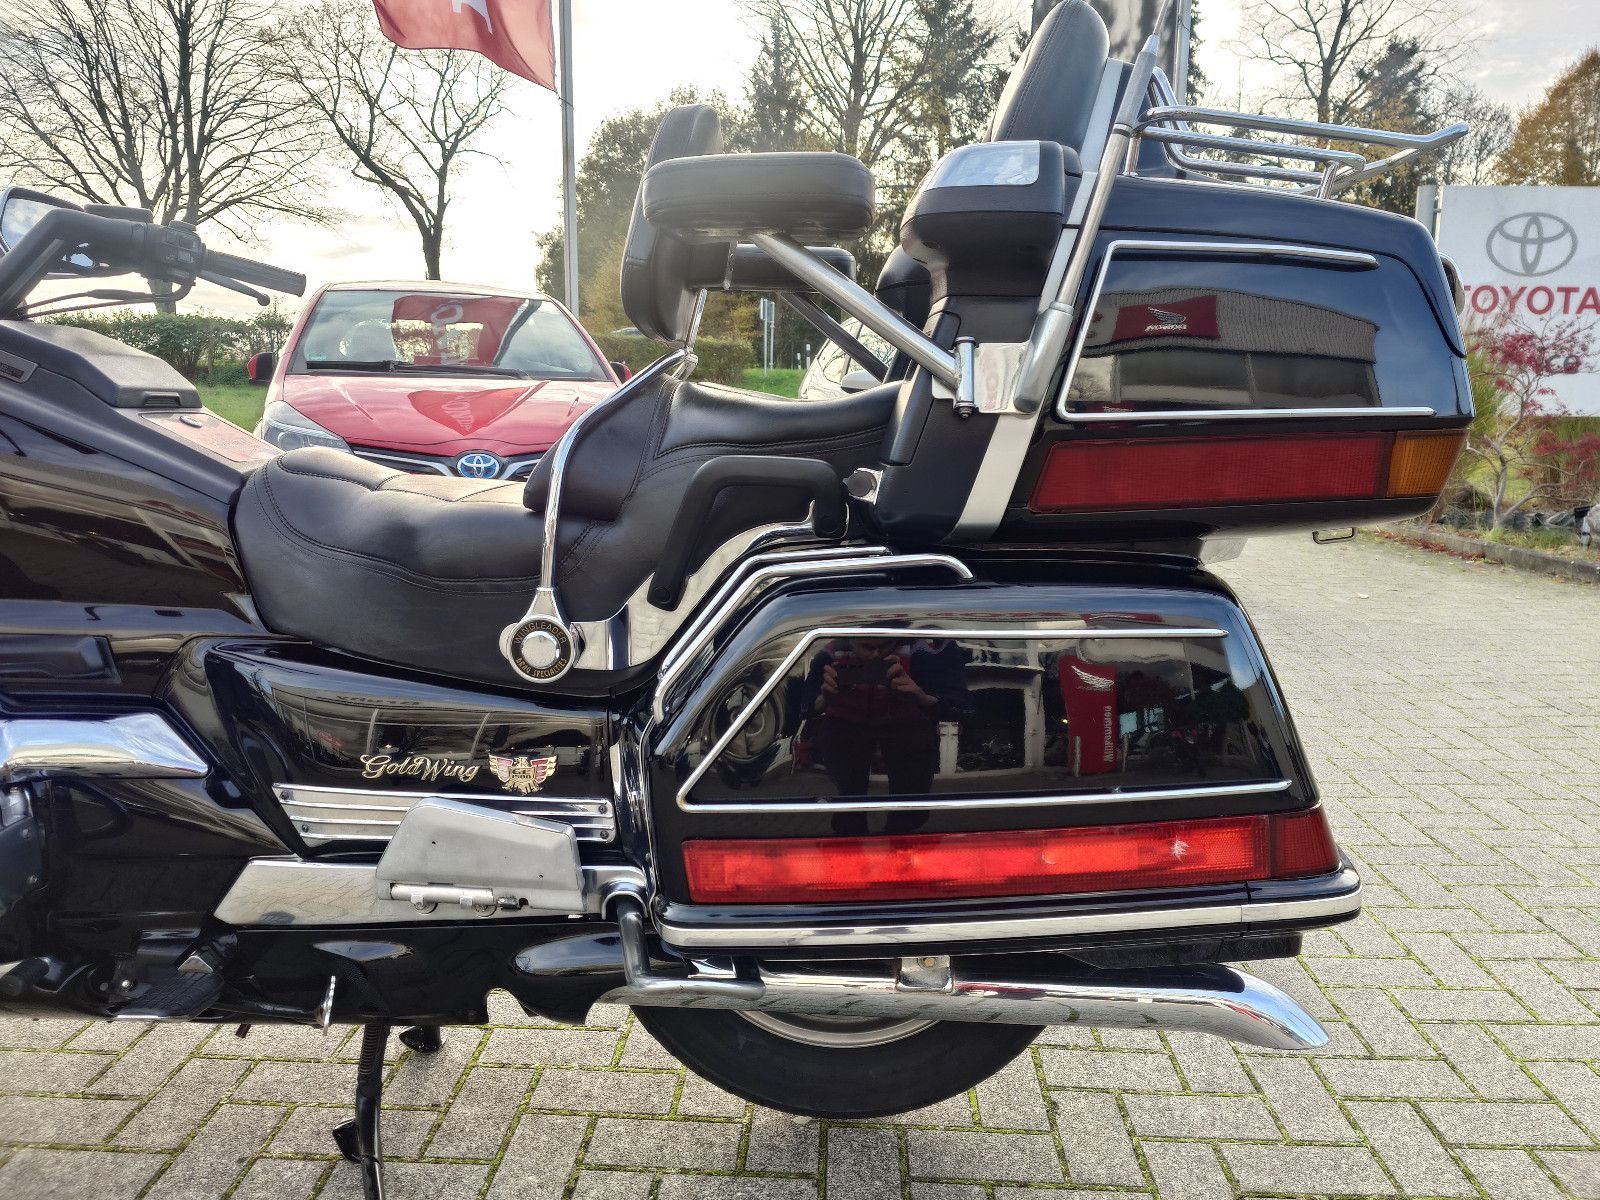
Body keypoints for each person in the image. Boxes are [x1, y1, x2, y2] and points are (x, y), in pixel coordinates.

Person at [802, 636, 968, 797]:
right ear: (849, 639)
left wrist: (921, 697)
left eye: (885, 646)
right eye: (866, 647)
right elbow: (804, 704)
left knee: (908, 807)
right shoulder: (830, 650)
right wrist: (824, 698)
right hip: (847, 739)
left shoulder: (930, 646)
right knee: (848, 808)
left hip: (907, 738)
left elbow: (960, 705)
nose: (876, 655)